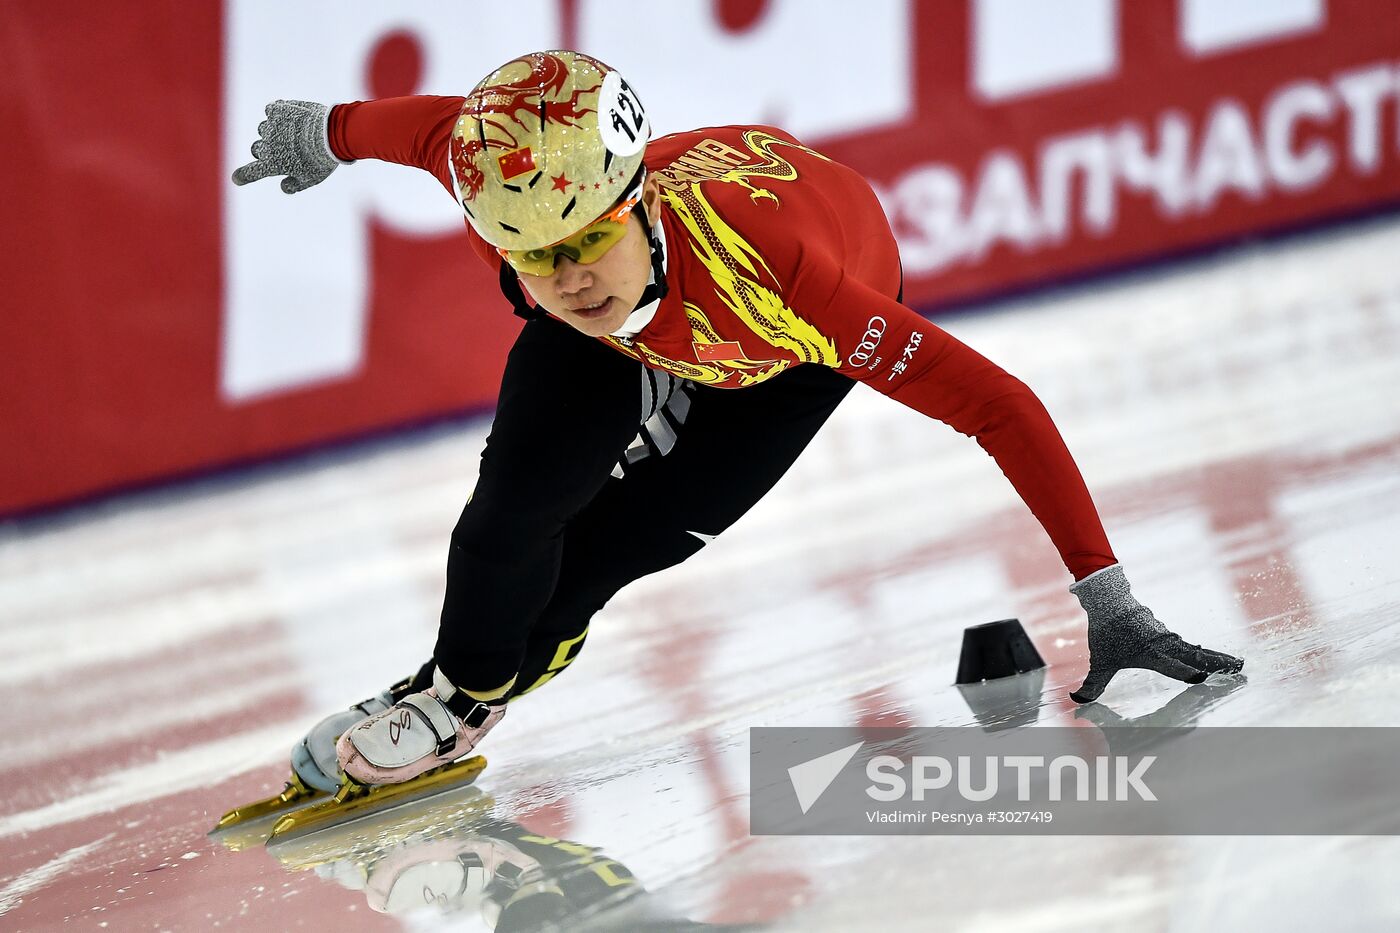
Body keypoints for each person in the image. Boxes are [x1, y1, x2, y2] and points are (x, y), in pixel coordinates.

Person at [232, 51, 1243, 790]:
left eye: (587, 240)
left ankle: (471, 682)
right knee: (514, 508)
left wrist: (1107, 599)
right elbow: (427, 127)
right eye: (534, 257)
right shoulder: (509, 194)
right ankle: (454, 690)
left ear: (630, 200)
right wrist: (323, 132)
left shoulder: (795, 285)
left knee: (602, 552)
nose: (570, 274)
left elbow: (998, 405)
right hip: (652, 327)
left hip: (767, 353)